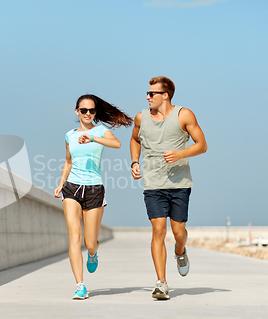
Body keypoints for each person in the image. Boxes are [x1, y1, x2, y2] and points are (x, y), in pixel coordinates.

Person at [130, 76, 207, 300]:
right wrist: (135, 162)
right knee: (158, 230)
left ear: (165, 95)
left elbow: (202, 145)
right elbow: (135, 140)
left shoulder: (184, 115)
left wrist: (180, 154)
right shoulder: (141, 118)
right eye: (147, 93)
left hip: (179, 184)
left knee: (179, 232)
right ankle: (161, 283)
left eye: (151, 93)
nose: (147, 97)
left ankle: (180, 251)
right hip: (153, 184)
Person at [54, 94, 132, 299]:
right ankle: (80, 285)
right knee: (74, 237)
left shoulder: (101, 131)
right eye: (83, 110)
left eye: (92, 111)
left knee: (89, 241)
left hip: (95, 189)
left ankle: (92, 253)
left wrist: (93, 138)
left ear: (95, 113)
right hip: (71, 188)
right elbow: (68, 162)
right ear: (76, 111)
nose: (87, 114)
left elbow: (117, 145)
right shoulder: (69, 135)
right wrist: (61, 184)